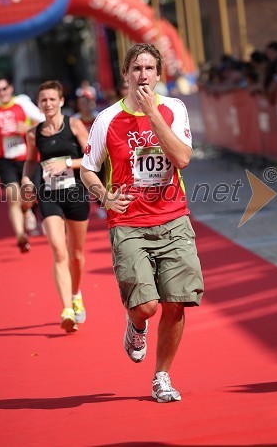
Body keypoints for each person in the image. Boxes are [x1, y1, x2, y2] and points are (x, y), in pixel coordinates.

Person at [80, 43, 204, 403]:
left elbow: (181, 158)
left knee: (177, 301)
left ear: (159, 73)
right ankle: (136, 325)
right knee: (147, 306)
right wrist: (103, 196)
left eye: (150, 68)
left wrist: (153, 116)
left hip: (173, 218)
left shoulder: (172, 109)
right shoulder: (106, 120)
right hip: (128, 222)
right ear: (125, 75)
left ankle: (161, 377)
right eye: (136, 69)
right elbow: (88, 169)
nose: (143, 75)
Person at [22, 80, 90, 333]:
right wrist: (26, 179)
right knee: (59, 252)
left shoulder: (73, 125)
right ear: (39, 105)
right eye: (43, 100)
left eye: (52, 99)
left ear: (61, 101)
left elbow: (93, 157)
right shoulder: (33, 133)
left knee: (76, 255)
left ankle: (75, 293)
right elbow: (30, 162)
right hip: (48, 195)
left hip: (76, 194)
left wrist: (68, 164)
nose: (48, 104)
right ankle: (66, 309)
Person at [0, 76, 45, 252]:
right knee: (12, 197)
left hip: (28, 158)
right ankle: (20, 235)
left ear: (10, 88)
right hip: (5, 160)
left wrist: (27, 129)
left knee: (29, 196)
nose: (2, 93)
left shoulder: (23, 104)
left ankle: (27, 210)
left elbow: (42, 121)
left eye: (4, 89)